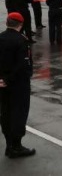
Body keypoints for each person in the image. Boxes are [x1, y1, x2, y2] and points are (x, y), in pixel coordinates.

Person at [0, 12, 36, 158]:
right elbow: (22, 64)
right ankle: (16, 146)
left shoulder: (1, 37)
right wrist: (9, 79)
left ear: (6, 22)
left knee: (5, 112)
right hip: (18, 84)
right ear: (20, 25)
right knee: (19, 113)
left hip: (2, 83)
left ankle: (9, 145)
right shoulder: (21, 41)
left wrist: (2, 79)